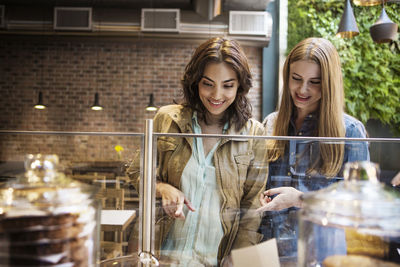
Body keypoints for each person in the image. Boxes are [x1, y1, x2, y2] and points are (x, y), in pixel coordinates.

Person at [127, 37, 268, 266]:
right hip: (161, 256)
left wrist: (238, 259)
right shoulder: (167, 119)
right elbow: (135, 172)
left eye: (228, 85)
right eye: (208, 83)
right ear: (195, 82)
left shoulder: (254, 134)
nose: (216, 95)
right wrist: (162, 188)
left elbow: (252, 208)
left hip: (215, 260)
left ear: (240, 86)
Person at [257, 37, 370, 259]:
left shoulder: (351, 132)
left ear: (329, 83)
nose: (302, 89)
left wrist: (300, 199)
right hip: (269, 253)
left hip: (321, 255)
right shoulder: (270, 123)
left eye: (315, 82)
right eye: (296, 78)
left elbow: (360, 207)